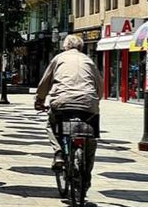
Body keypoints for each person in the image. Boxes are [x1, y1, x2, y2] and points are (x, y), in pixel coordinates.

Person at [35, 34, 103, 187]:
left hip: (62, 102)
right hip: (88, 104)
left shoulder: (58, 59)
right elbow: (99, 85)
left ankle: (59, 152)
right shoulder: (89, 60)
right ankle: (86, 177)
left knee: (51, 125)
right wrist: (95, 100)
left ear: (65, 46)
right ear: (81, 47)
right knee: (90, 141)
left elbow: (45, 82)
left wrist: (39, 100)